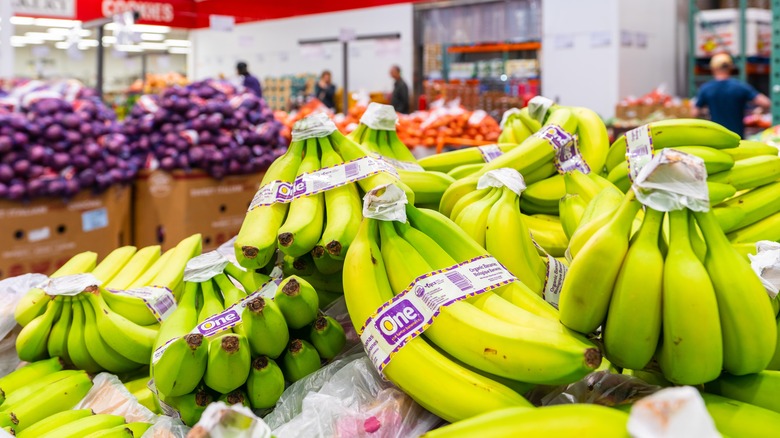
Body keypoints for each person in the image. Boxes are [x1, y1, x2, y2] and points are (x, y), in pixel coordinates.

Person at [693, 53, 770, 137]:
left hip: (716, 136)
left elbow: (694, 113)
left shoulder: (706, 88)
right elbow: (766, 103)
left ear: (713, 68)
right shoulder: (740, 87)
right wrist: (758, 111)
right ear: (730, 68)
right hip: (737, 137)